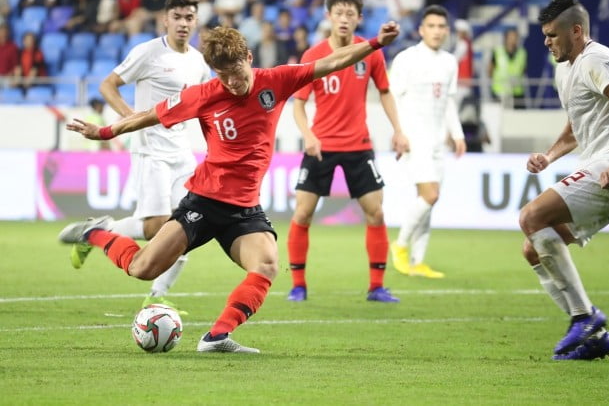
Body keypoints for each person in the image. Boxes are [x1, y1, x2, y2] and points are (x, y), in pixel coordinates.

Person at [59, 21, 401, 353]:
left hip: (244, 210)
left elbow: (330, 62)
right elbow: (149, 115)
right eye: (222, 75)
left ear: (249, 58)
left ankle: (216, 337)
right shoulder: (204, 95)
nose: (232, 82)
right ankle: (96, 234)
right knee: (141, 269)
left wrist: (375, 44)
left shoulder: (277, 81)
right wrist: (104, 132)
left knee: (267, 265)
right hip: (202, 203)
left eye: (236, 71)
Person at [71, 0, 212, 314]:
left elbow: (202, 107)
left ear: (196, 22)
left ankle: (157, 294)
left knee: (188, 227)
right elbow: (108, 85)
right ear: (165, 20)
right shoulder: (148, 52)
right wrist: (129, 118)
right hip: (151, 152)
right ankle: (96, 231)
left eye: (189, 17)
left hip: (182, 154)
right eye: (177, 16)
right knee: (153, 228)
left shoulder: (199, 62)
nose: (183, 23)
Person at [520, 0, 609, 360]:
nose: (547, 42)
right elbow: (576, 128)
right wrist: (548, 156)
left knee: (531, 217)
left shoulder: (596, 58)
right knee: (533, 246)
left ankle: (585, 316)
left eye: (552, 35)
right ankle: (594, 338)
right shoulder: (564, 69)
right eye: (545, 36)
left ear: (577, 31)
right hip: (603, 164)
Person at [285, 0, 408, 303]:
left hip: (358, 145)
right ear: (328, 16)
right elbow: (298, 104)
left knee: (376, 212)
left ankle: (376, 287)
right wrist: (308, 135)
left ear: (359, 19)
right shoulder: (313, 56)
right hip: (320, 146)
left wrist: (398, 130)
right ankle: (298, 285)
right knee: (302, 213)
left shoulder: (371, 52)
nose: (344, 19)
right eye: (338, 13)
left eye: (350, 14)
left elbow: (384, 92)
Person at [388, 5, 467, 278]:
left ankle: (417, 261)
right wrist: (398, 132)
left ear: (446, 31)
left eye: (441, 27)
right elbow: (392, 99)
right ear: (421, 30)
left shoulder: (449, 62)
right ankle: (398, 246)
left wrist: (457, 134)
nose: (436, 31)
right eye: (431, 26)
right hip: (414, 137)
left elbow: (447, 103)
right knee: (430, 194)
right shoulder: (406, 59)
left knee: (428, 202)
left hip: (437, 142)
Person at [488, 28, 528, 109]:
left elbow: (523, 69)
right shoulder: (497, 51)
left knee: (519, 117)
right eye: (511, 37)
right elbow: (490, 70)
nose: (513, 40)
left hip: (517, 92)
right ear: (506, 38)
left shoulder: (522, 53)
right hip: (500, 91)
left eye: (515, 37)